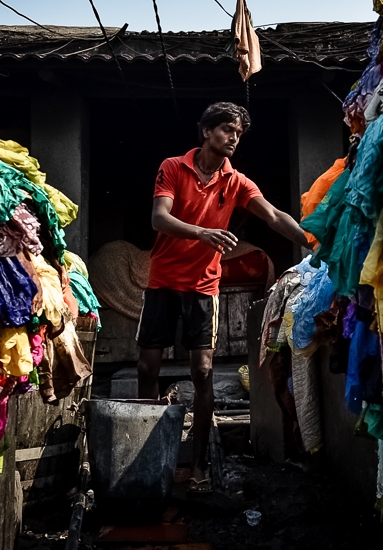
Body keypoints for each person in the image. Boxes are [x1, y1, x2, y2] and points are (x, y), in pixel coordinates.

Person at [137, 101, 309, 494]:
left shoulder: (237, 181)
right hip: (163, 280)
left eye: (238, 133)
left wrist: (314, 242)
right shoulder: (172, 167)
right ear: (206, 132)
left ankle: (198, 464)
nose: (233, 138)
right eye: (227, 129)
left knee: (202, 372)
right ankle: (148, 459)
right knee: (147, 368)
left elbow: (273, 216)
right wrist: (202, 232)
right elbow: (159, 218)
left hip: (203, 285)